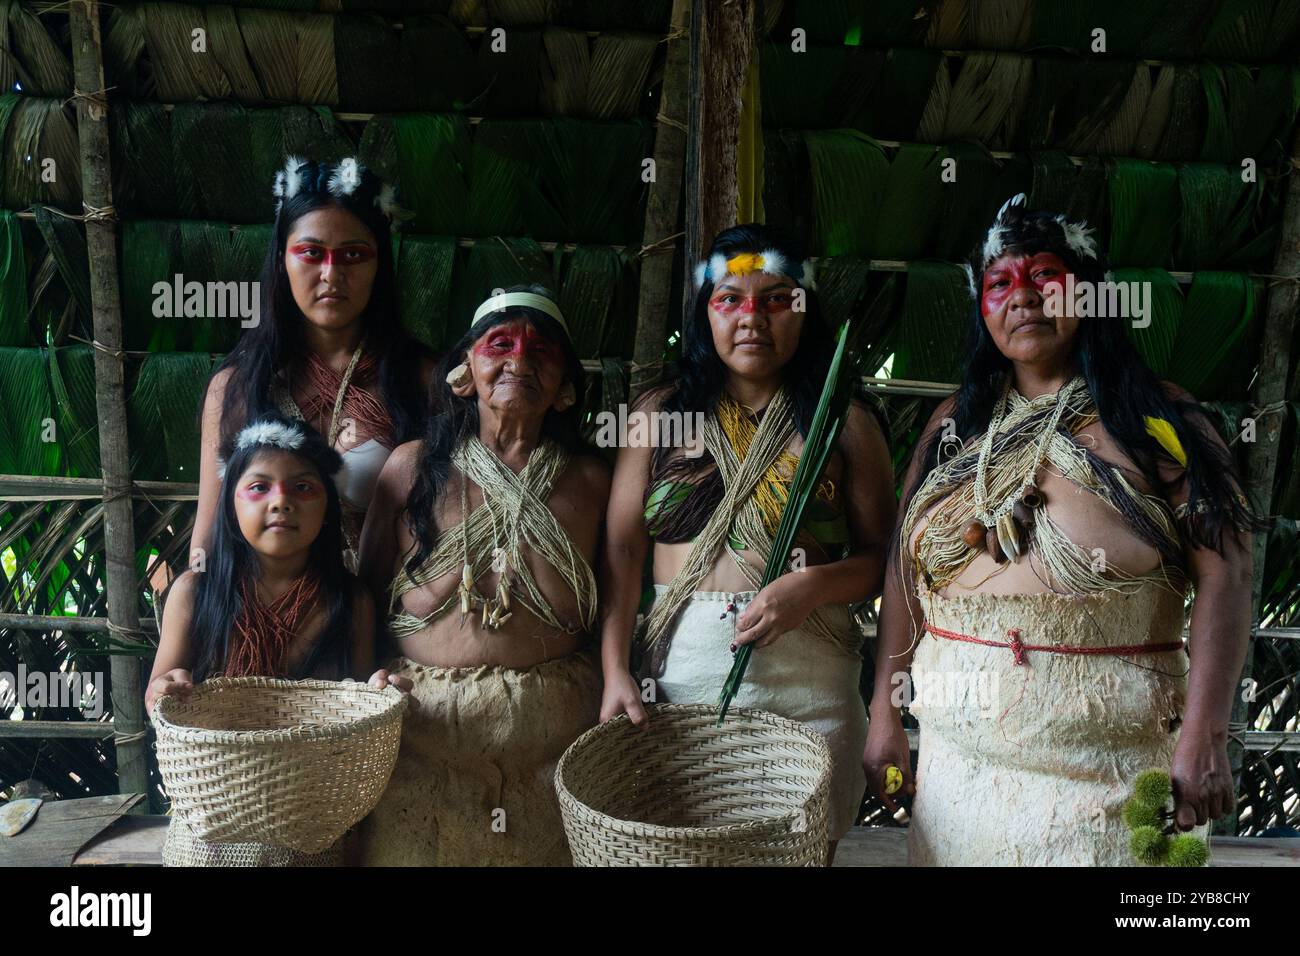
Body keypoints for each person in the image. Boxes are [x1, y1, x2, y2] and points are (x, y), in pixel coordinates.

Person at [864, 194, 1264, 866]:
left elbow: (1226, 570)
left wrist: (1206, 734)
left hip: (1109, 776)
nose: (1023, 298)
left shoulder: (1156, 418)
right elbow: (903, 577)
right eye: (1000, 285)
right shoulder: (953, 429)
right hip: (962, 778)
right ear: (982, 307)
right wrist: (884, 712)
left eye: (1044, 277)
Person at [600, 224, 896, 862]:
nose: (752, 318)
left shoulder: (842, 421)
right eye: (729, 299)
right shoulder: (661, 414)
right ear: (704, 312)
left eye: (776, 299)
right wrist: (615, 669)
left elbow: (885, 563)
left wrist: (813, 585)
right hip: (683, 683)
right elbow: (623, 552)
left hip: (813, 682)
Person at [356, 287, 608, 866]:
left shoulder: (593, 482)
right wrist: (361, 692)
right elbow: (364, 597)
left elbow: (617, 603)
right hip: (420, 730)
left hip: (551, 736)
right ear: (463, 374)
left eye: (542, 351)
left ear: (566, 387)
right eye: (500, 345)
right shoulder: (410, 468)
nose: (520, 360)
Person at [147, 415, 409, 865]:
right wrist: (165, 690)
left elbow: (360, 704)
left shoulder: (351, 602)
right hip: (216, 825)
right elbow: (156, 699)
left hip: (314, 823)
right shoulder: (195, 594)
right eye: (259, 487)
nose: (281, 502)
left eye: (303, 488)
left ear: (327, 505)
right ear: (231, 503)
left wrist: (384, 695)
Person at [192, 156, 435, 573]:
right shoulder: (238, 387)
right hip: (263, 619)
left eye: (353, 255)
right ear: (282, 259)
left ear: (380, 264)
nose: (331, 274)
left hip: (391, 624)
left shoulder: (424, 380)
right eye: (311, 252)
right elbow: (209, 539)